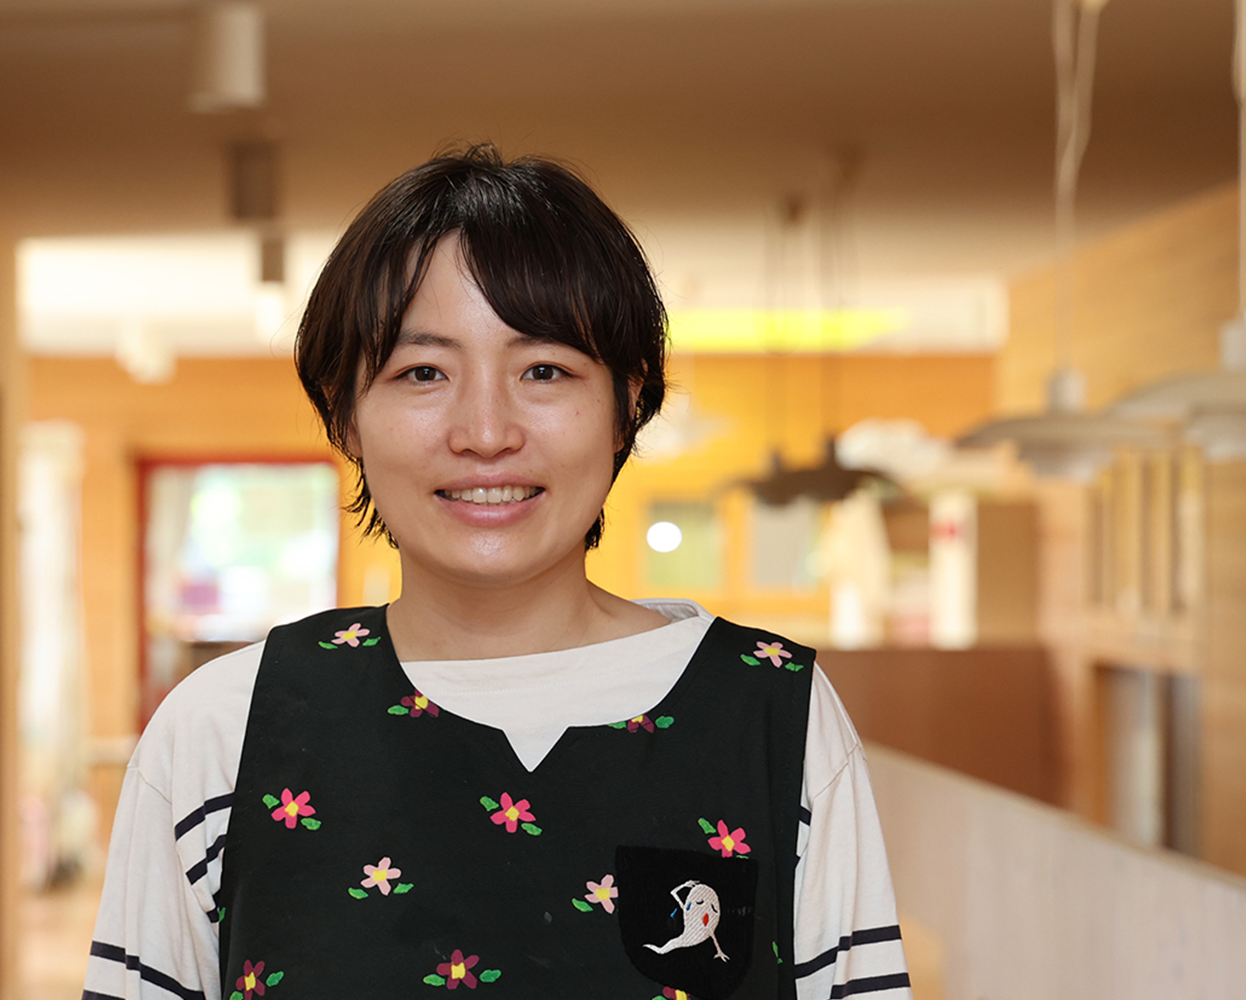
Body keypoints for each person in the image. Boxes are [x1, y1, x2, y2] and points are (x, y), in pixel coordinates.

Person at [83, 145, 912, 1000]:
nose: (485, 433)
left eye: (544, 370)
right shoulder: (224, 732)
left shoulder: (774, 717)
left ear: (627, 403)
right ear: (346, 414)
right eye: (423, 372)